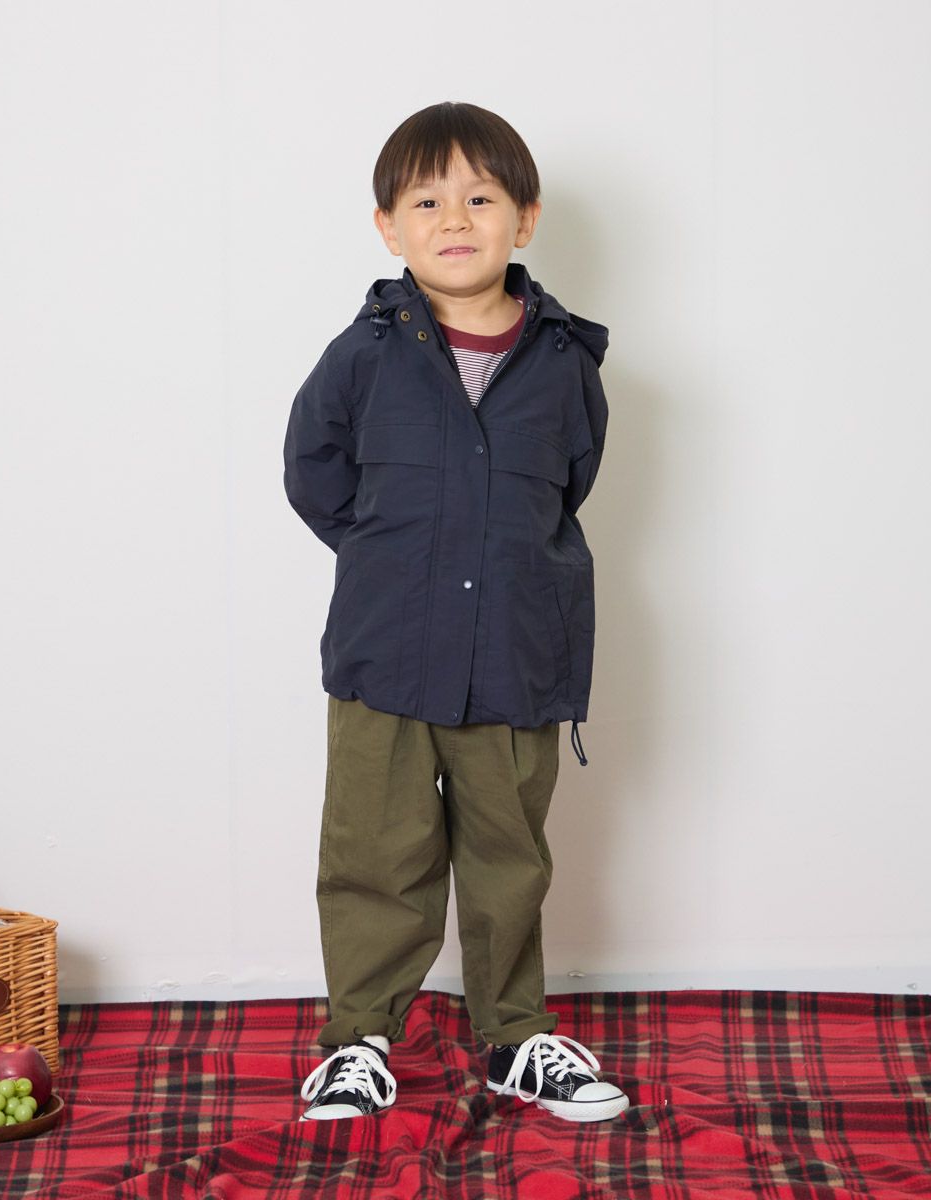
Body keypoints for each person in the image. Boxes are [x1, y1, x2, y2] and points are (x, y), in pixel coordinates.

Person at [283, 101, 629, 1124]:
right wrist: (395, 560)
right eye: (427, 202)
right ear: (388, 227)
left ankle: (515, 1037)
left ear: (525, 218)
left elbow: (566, 486)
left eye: (480, 199)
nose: (455, 220)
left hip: (517, 654)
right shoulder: (361, 355)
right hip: (385, 654)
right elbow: (314, 473)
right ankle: (359, 1039)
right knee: (373, 853)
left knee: (508, 857)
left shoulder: (566, 363)